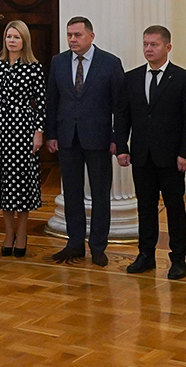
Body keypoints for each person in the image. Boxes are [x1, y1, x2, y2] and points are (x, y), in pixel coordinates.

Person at [112, 25, 186, 277]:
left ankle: (178, 259)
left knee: (175, 208)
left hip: (172, 158)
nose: (148, 49)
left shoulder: (184, 78)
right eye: (145, 44)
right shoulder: (131, 78)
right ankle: (145, 255)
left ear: (168, 47)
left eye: (154, 44)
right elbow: (123, 116)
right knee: (145, 208)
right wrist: (121, 147)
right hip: (141, 156)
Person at [42, 16, 125, 265]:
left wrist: (117, 139)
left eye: (77, 35)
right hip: (67, 138)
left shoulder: (110, 63)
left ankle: (98, 246)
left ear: (91, 36)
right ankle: (74, 243)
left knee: (100, 194)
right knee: (72, 193)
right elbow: (52, 101)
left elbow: (119, 107)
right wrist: (52, 134)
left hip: (99, 139)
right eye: (69, 35)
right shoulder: (58, 62)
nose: (72, 39)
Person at [0, 19, 46, 257]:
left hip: (23, 128)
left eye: (16, 37)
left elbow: (41, 103)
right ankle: (8, 233)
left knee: (22, 184)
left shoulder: (34, 67)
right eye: (9, 36)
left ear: (24, 40)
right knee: (3, 183)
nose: (12, 40)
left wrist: (38, 132)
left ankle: (22, 233)